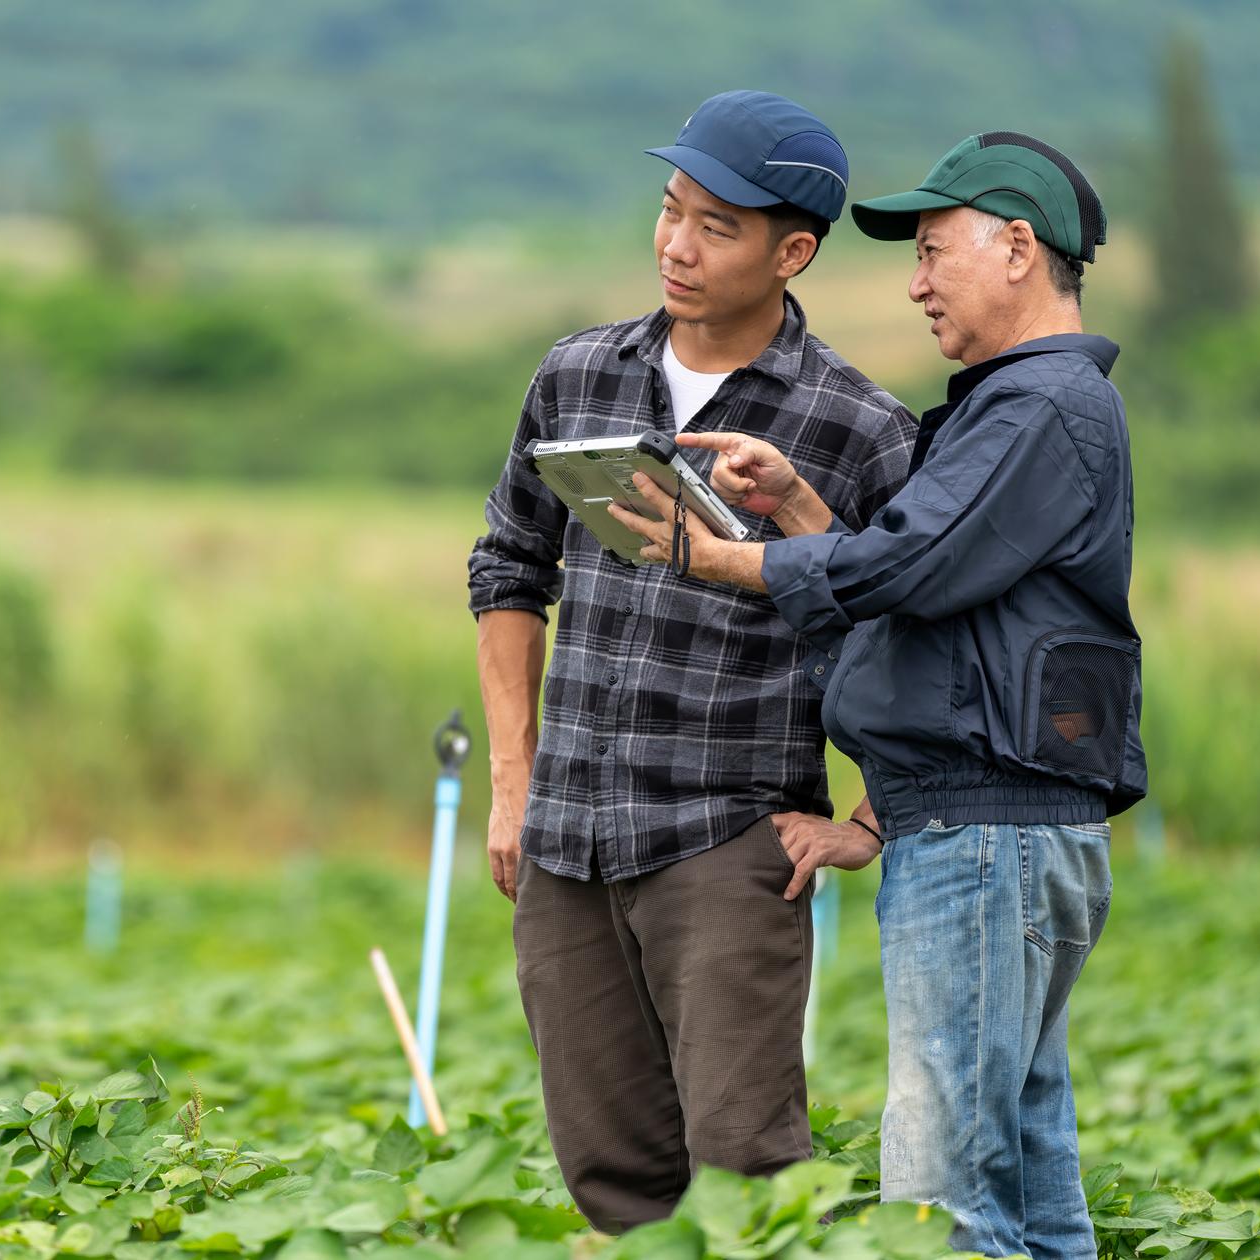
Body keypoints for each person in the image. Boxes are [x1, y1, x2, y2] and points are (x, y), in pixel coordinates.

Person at [606, 131, 1145, 1260]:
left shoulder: (1037, 407)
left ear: (1013, 248)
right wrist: (800, 507)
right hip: (990, 828)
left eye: (933, 250)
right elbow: (931, 591)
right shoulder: (1017, 407)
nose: (914, 281)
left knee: (946, 1196)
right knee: (1030, 1189)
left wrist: (718, 559)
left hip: (987, 840)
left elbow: (901, 569)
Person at [464, 90, 916, 1235]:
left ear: (792, 251)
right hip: (565, 841)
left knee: (743, 1173)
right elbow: (508, 568)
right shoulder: (576, 377)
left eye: (716, 226)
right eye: (670, 211)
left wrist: (872, 817)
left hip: (722, 845)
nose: (675, 244)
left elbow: (918, 632)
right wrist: (512, 783)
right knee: (609, 1177)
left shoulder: (855, 427)